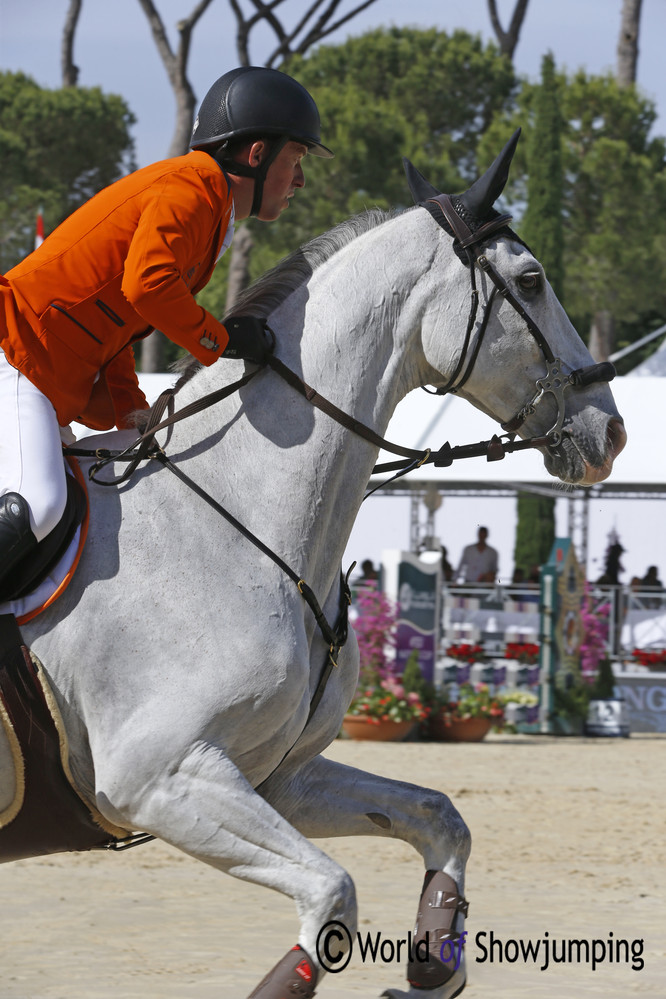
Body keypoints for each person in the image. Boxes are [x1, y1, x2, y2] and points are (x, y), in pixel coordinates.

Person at [0, 67, 333, 595]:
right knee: (39, 504)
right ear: (257, 154)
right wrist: (220, 342)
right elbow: (149, 287)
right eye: (295, 160)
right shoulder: (191, 189)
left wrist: (132, 411)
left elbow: (120, 327)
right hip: (14, 351)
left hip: (36, 367)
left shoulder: (206, 202)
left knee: (105, 488)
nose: (300, 180)